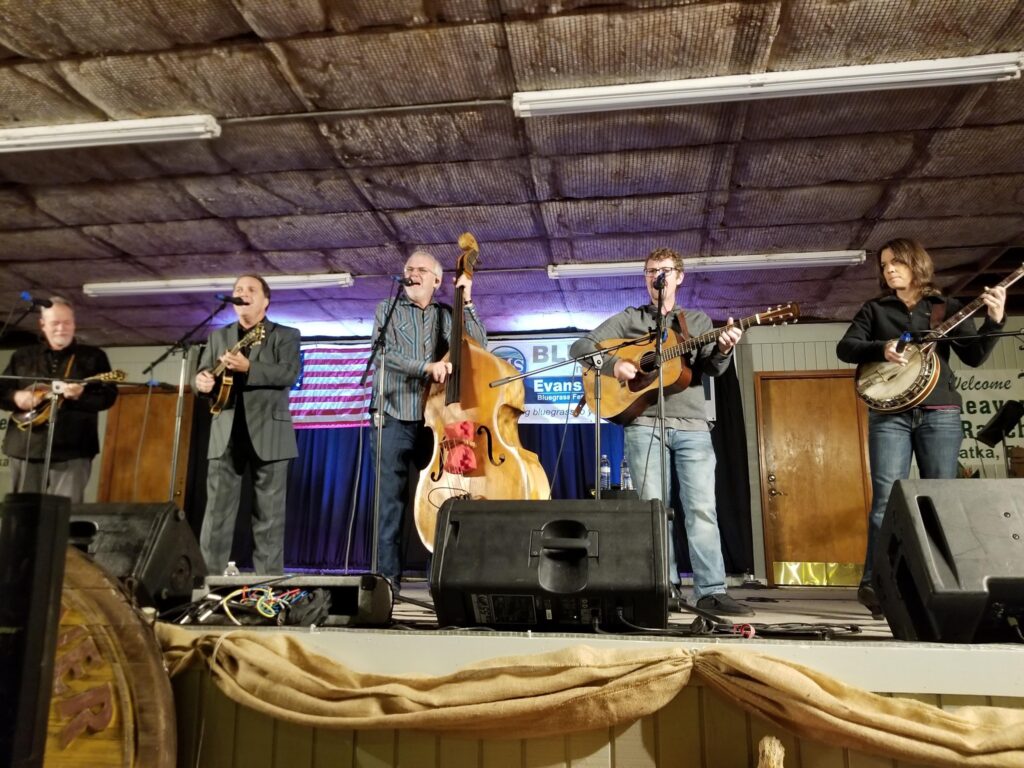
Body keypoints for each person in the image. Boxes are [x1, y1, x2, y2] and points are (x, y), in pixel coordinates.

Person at [570, 247, 753, 616]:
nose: (659, 276)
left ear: (679, 277)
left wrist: (724, 349)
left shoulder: (697, 321)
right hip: (643, 425)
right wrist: (614, 364)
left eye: (666, 270)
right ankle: (662, 588)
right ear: (646, 277)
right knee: (654, 510)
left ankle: (711, 591)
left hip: (693, 428)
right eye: (652, 270)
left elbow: (713, 369)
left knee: (702, 509)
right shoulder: (630, 319)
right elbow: (580, 346)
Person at [837, 238, 1006, 618]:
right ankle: (875, 584)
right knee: (885, 500)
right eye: (883, 265)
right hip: (889, 414)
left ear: (916, 263)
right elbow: (846, 348)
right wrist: (881, 349)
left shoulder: (947, 308)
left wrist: (995, 321)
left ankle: (940, 582)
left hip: (940, 412)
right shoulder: (875, 309)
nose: (889, 270)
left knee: (938, 500)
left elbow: (975, 356)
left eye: (896, 262)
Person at [370, 249, 486, 591]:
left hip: (439, 419)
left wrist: (467, 302)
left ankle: (440, 577)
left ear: (437, 281)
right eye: (409, 268)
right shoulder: (387, 309)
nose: (413, 273)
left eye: (422, 269)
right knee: (388, 502)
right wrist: (425, 367)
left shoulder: (449, 314)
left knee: (443, 498)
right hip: (393, 413)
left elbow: (480, 347)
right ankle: (386, 581)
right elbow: (383, 354)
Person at [193, 275, 301, 575]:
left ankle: (267, 586)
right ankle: (208, 583)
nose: (243, 293)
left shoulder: (286, 334)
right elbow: (201, 374)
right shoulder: (218, 336)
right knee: (215, 515)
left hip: (270, 433)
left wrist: (249, 366)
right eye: (238, 290)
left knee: (269, 517)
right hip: (225, 432)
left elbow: (289, 373)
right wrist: (200, 381)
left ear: (266, 300)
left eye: (251, 289)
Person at [0, 297, 118, 502]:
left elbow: (107, 398)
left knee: (66, 515)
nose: (62, 328)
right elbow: (1, 393)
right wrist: (16, 397)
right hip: (26, 445)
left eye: (67, 322)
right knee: (23, 514)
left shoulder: (93, 357)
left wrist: (80, 395)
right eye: (55, 323)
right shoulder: (23, 355)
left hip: (73, 447)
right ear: (42, 325)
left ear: (74, 323)